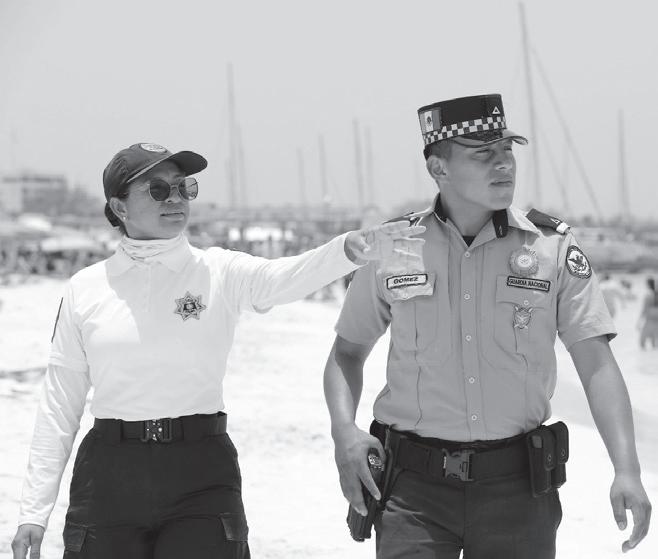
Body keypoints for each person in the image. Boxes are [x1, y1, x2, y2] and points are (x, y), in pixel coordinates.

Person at [11, 142, 425, 559]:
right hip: (108, 473)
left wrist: (347, 250)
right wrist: (33, 512)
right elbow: (60, 404)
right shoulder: (85, 289)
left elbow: (282, 278)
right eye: (158, 189)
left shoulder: (218, 270)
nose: (175, 199)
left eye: (183, 187)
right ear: (119, 208)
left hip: (201, 470)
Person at [323, 94, 651, 558]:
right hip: (413, 492)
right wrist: (343, 432)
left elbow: (596, 363)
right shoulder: (394, 245)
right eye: (483, 154)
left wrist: (627, 469)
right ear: (438, 168)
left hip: (518, 490)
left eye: (507, 150)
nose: (503, 165)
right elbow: (347, 352)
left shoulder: (550, 246)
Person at [638, 276, 658, 349]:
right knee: (654, 336)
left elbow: (644, 308)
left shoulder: (648, 295)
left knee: (642, 341)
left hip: (650, 315)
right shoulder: (655, 293)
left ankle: (644, 354)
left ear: (648, 284)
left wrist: (639, 320)